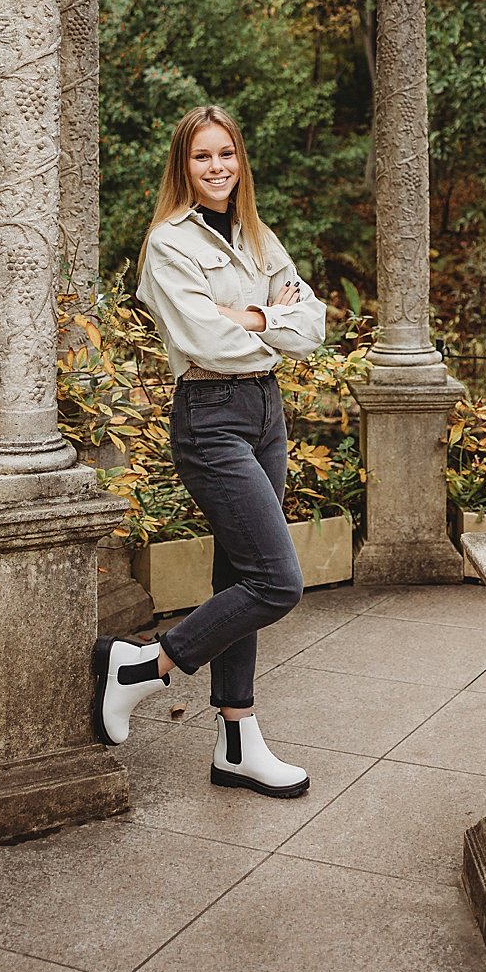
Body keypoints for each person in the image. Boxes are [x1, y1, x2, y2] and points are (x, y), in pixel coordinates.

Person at [92, 103, 327, 798]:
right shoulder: (169, 243)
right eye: (202, 157)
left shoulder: (258, 234)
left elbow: (310, 325)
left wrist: (248, 315)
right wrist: (268, 317)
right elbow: (205, 342)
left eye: (226, 153)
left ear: (239, 160)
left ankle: (237, 742)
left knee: (239, 576)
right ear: (183, 166)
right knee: (276, 581)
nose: (217, 167)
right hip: (211, 413)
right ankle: (143, 668)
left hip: (265, 411)